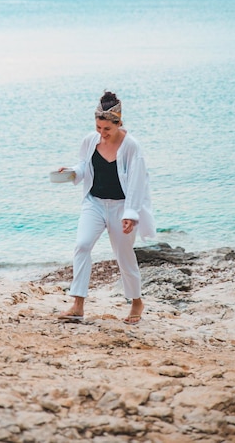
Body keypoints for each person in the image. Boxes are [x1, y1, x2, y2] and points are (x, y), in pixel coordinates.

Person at [57, 90, 156, 324]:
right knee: (82, 246)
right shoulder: (90, 140)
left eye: (107, 129)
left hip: (122, 206)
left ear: (119, 123)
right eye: (98, 128)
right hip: (94, 203)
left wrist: (131, 214)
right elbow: (84, 166)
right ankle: (78, 305)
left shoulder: (132, 146)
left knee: (124, 255)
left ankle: (136, 302)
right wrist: (72, 173)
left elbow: (137, 182)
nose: (102, 134)